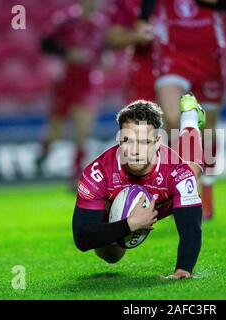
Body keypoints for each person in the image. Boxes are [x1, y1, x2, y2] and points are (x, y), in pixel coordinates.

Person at [72, 94, 206, 279]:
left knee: (191, 170)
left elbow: (190, 228)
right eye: (128, 141)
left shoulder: (177, 172)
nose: (135, 150)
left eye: (144, 141)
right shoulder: (99, 173)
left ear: (158, 142)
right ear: (119, 140)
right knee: (111, 256)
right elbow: (81, 237)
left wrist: (183, 269)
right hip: (121, 219)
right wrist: (131, 224)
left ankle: (190, 118)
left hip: (164, 202)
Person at [139, 0, 226, 219]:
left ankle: (206, 190)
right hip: (174, 56)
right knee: (172, 117)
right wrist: (142, 21)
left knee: (208, 127)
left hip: (208, 59)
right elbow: (145, 8)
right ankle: (180, 189)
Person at [39, 0, 107, 184]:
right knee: (55, 130)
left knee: (83, 128)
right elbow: (45, 43)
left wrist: (105, 59)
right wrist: (66, 53)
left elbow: (102, 49)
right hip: (66, 81)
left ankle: (76, 173)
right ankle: (43, 152)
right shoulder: (67, 19)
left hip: (87, 82)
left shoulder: (101, 23)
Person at [105, 0, 157, 102]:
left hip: (187, 72)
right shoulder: (127, 2)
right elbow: (113, 37)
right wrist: (137, 36)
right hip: (143, 77)